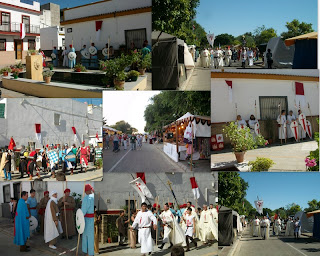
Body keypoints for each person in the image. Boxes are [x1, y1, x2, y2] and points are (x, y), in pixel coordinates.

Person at [82, 184, 95, 256]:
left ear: (86, 191)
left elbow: (83, 211)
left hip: (88, 220)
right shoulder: (94, 196)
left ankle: (89, 253)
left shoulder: (87, 198)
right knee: (92, 236)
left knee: (88, 236)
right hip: (94, 218)